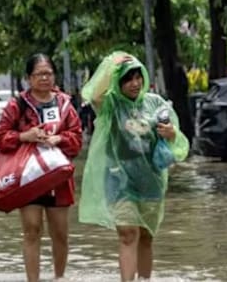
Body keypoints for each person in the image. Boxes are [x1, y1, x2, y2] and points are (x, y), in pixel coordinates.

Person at [79, 52, 189, 282]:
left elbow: (177, 144)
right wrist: (111, 65)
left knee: (147, 236)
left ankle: (145, 280)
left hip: (151, 182)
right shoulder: (111, 105)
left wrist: (172, 133)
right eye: (128, 79)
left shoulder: (155, 104)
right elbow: (92, 94)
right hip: (119, 182)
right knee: (128, 235)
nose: (134, 83)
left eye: (138, 77)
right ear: (119, 83)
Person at [0, 54, 83, 282]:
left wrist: (59, 139)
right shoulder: (17, 105)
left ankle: (59, 277)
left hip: (58, 177)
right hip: (28, 177)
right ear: (29, 78)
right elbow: (0, 136)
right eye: (39, 74)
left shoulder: (65, 104)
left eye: (48, 73)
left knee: (60, 233)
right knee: (32, 230)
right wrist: (25, 135)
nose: (44, 78)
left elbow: (77, 138)